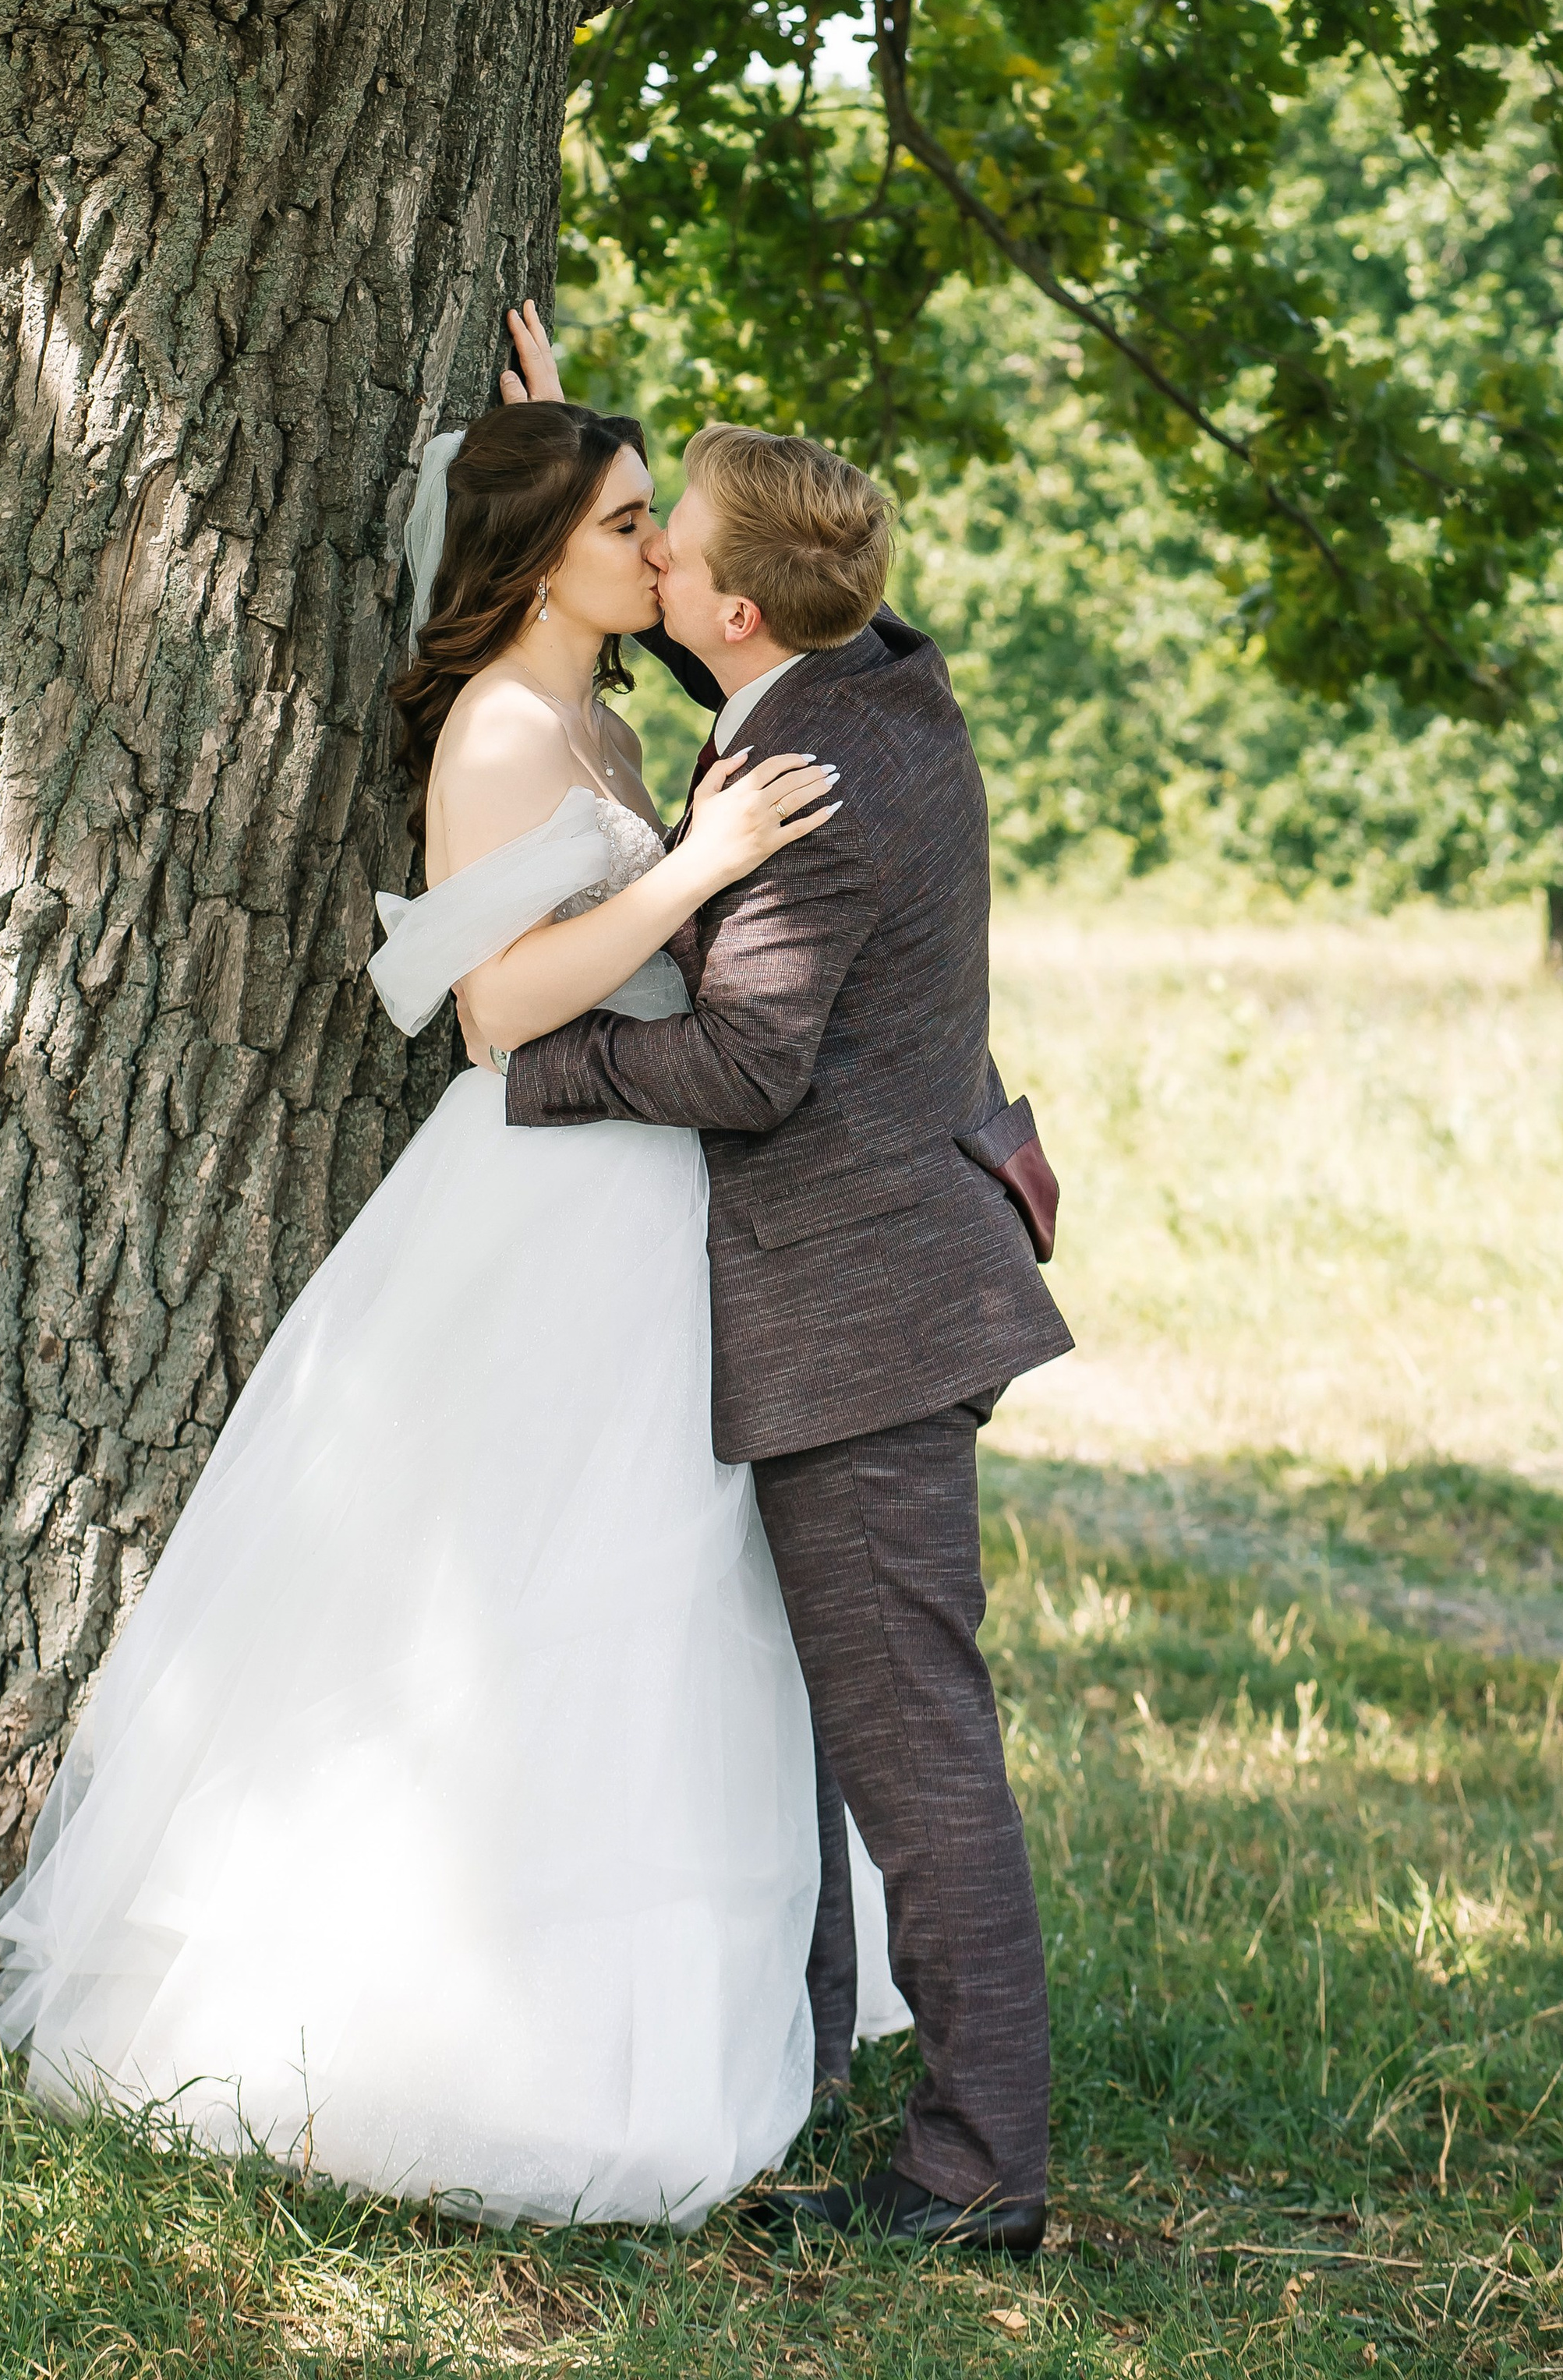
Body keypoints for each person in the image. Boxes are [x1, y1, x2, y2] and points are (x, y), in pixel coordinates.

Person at [0, 397, 865, 2230]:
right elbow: (491, 1008)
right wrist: (695, 868)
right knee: (519, 1585)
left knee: (657, 1588)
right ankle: (429, 2049)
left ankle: (623, 2036)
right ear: (539, 557)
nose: (659, 551)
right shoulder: (501, 727)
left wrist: (560, 403)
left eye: (653, 517)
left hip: (648, 1188)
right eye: (624, 522)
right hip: (545, 1197)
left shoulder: (599, 712)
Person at [496, 306, 1073, 2253]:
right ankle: (802, 2073)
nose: (647, 560)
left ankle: (979, 2170)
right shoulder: (867, 673)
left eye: (665, 542)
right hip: (888, 1269)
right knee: (822, 1729)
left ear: (735, 606)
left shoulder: (812, 782)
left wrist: (540, 1063)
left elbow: (748, 1065)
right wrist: (561, 459)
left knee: (909, 1746)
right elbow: (732, 629)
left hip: (867, 1308)